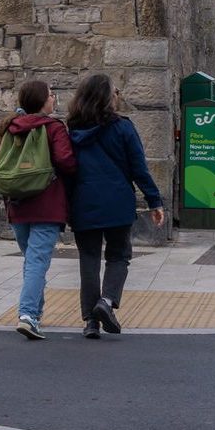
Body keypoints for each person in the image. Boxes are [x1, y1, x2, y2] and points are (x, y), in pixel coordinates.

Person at [0, 80, 77, 341]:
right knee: (37, 262)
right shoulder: (54, 128)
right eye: (51, 95)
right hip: (47, 205)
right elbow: (66, 162)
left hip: (18, 205)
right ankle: (28, 315)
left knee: (32, 262)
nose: (54, 99)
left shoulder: (11, 128)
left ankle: (35, 314)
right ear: (42, 101)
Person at [64, 73, 165, 340]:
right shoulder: (123, 127)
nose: (118, 95)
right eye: (116, 91)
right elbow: (138, 169)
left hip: (83, 202)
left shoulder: (71, 130)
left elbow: (65, 170)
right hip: (118, 201)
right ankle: (106, 302)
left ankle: (90, 322)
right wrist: (154, 200)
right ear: (108, 97)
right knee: (119, 255)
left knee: (89, 259)